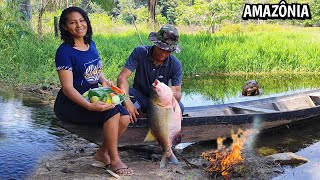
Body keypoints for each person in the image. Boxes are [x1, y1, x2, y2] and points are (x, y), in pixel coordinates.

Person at [53, 7, 133, 175]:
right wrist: (89, 106)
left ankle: (102, 153)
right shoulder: (64, 52)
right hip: (72, 103)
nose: (79, 25)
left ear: (87, 22)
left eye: (82, 20)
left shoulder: (91, 45)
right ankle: (115, 159)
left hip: (93, 96)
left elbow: (95, 69)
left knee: (124, 116)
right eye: (73, 22)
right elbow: (67, 89)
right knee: (112, 113)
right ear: (65, 26)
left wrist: (103, 80)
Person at [117, 24, 184, 123]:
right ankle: (140, 112)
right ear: (156, 44)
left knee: (180, 108)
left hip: (159, 102)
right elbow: (122, 78)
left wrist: (170, 92)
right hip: (139, 97)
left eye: (168, 51)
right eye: (161, 49)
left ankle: (144, 115)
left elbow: (178, 93)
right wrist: (127, 102)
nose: (163, 54)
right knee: (123, 93)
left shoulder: (175, 64)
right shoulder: (140, 52)